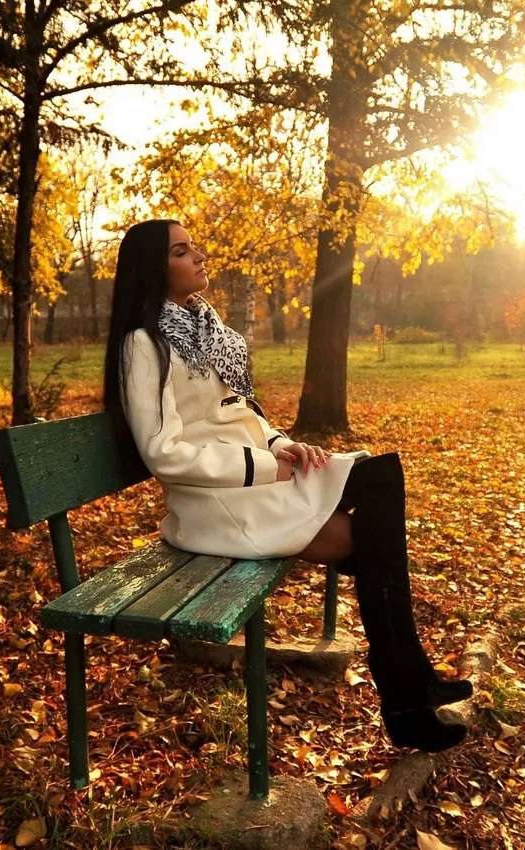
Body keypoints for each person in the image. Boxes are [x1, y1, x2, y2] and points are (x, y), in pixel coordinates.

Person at [102, 219, 471, 752]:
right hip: (219, 502)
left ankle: (410, 684)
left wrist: (280, 445)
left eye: (194, 246)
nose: (199, 256)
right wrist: (261, 466)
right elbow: (162, 453)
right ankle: (408, 691)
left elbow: (239, 413)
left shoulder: (205, 329)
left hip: (253, 477)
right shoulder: (145, 343)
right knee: (370, 541)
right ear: (153, 270)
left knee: (378, 478)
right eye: (182, 252)